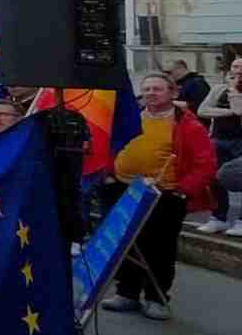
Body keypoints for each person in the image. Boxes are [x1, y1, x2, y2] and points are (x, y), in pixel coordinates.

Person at [103, 73, 216, 321]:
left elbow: (205, 163)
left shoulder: (188, 125)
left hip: (164, 195)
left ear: (173, 93)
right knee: (127, 246)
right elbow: (111, 146)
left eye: (157, 89)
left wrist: (182, 189)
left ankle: (157, 298)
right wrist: (109, 173)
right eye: (146, 89)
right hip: (125, 190)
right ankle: (127, 293)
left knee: (160, 248)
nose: (151, 93)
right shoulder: (129, 119)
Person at [195, 58, 242, 235]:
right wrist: (228, 111)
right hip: (218, 138)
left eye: (241, 67)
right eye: (235, 66)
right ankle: (219, 218)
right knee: (214, 178)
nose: (238, 70)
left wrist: (234, 93)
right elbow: (203, 110)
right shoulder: (219, 89)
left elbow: (239, 110)